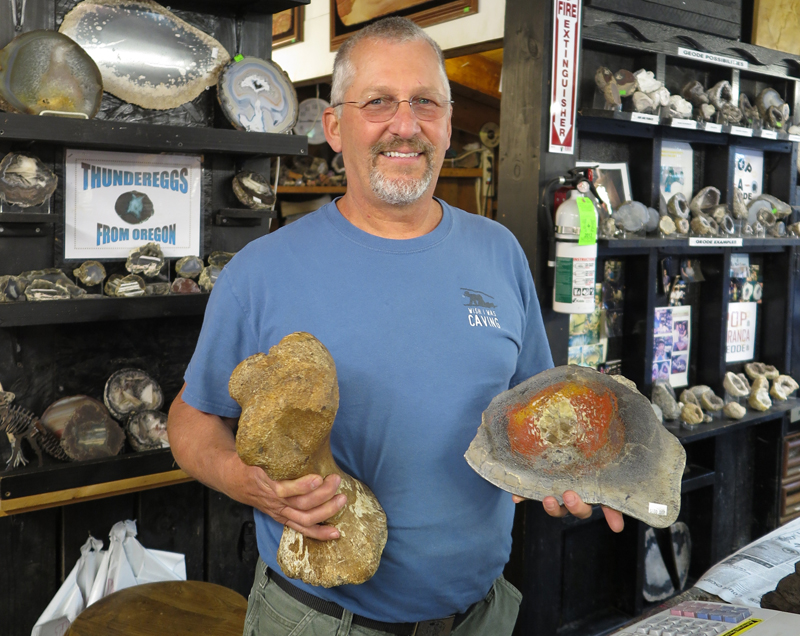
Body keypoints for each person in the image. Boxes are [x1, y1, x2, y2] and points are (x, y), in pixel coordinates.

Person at [167, 16, 623, 636]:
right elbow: (191, 420)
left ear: (448, 119)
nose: (405, 125)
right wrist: (251, 485)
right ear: (333, 126)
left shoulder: (499, 252)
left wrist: (563, 470)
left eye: (425, 103)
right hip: (320, 619)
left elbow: (535, 408)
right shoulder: (262, 270)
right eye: (378, 101)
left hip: (480, 615)